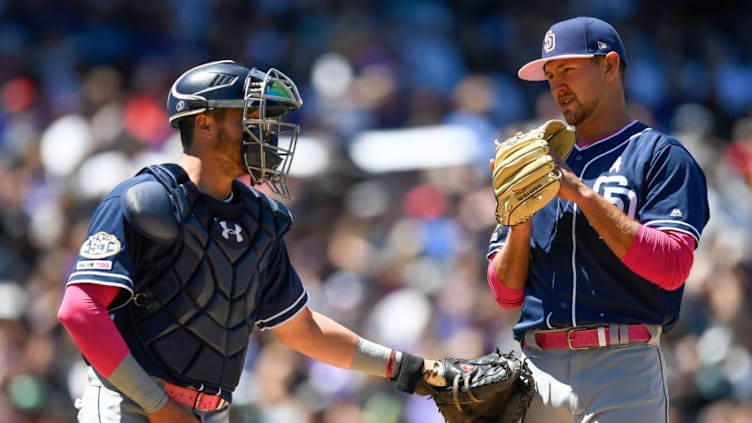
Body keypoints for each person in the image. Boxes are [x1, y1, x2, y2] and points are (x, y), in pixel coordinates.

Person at [57, 60, 444, 422]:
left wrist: (408, 367)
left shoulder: (259, 218)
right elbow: (80, 310)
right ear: (206, 125)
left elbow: (302, 330)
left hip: (210, 411)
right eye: (252, 118)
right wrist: (158, 406)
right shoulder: (146, 199)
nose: (267, 131)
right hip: (132, 404)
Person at [486, 17, 710, 422]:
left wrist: (584, 196)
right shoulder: (536, 163)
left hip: (623, 364)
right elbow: (506, 293)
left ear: (609, 66)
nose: (557, 84)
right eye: (550, 74)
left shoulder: (659, 156)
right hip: (540, 367)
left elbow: (672, 267)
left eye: (568, 69)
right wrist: (519, 220)